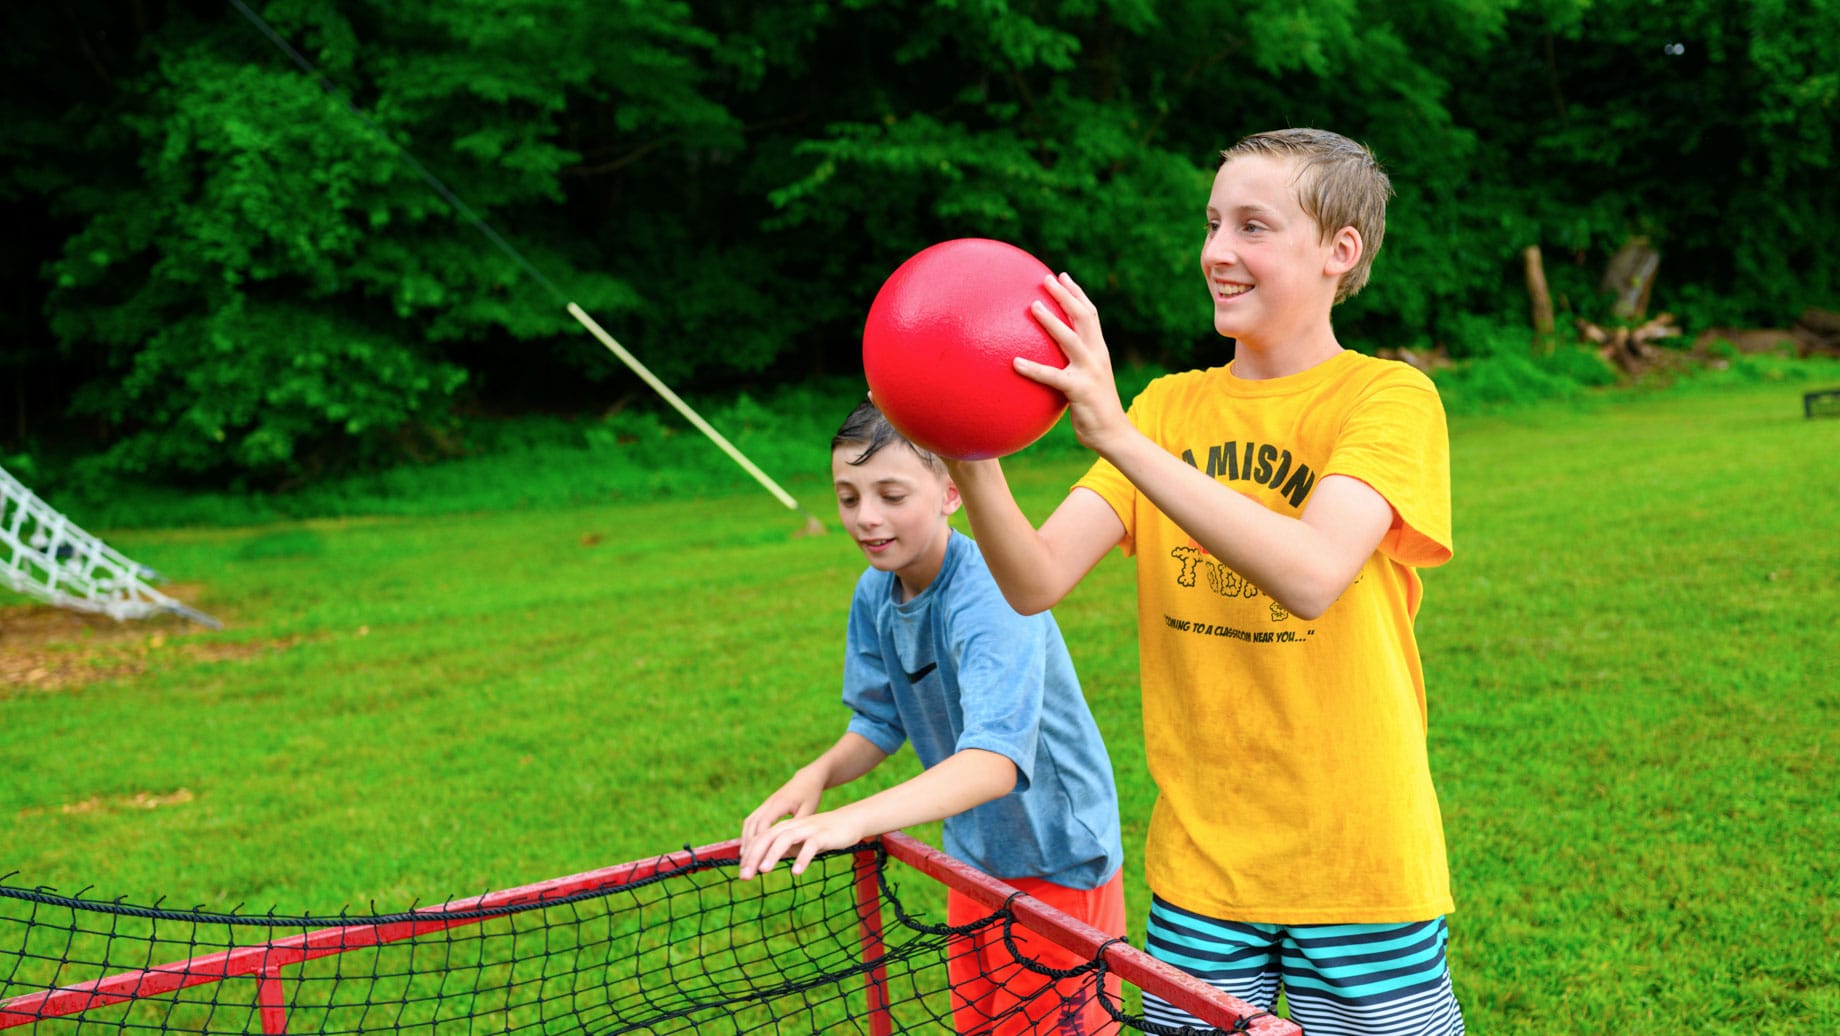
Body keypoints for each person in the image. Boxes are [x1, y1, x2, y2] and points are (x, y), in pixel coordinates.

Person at [944, 128, 1466, 1035]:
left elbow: (1311, 573)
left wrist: (1120, 440)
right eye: (1214, 223)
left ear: (1340, 252)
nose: (1218, 252)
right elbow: (1034, 579)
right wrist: (970, 440)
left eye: (1254, 227)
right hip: (1201, 863)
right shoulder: (1166, 408)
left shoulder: (1386, 399)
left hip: (1355, 857)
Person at [739, 399, 1127, 1036]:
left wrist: (852, 819)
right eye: (847, 496)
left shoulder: (994, 594)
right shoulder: (876, 592)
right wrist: (814, 779)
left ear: (952, 491)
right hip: (973, 862)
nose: (866, 518)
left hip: (1058, 863)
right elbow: (878, 721)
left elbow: (994, 764)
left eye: (892, 495)